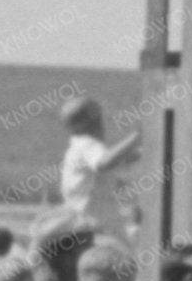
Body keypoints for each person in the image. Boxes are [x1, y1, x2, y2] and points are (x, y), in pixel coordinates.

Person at [54, 94, 143, 247]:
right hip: (96, 228)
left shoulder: (77, 147)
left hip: (84, 226)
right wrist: (136, 137)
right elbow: (103, 163)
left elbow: (117, 160)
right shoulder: (86, 144)